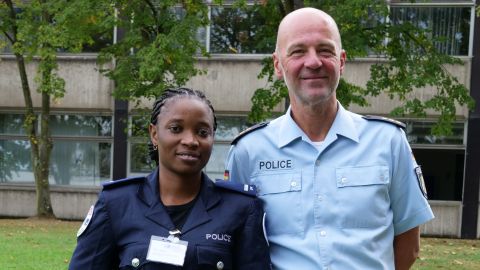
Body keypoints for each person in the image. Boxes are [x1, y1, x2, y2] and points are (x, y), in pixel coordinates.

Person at [225, 7, 434, 270]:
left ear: (342, 61)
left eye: (325, 50)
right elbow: (236, 244)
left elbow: (409, 245)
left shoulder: (388, 142)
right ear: (278, 65)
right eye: (298, 51)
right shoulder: (248, 152)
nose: (313, 62)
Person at [69, 87, 271, 269]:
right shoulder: (116, 204)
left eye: (202, 132)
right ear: (154, 134)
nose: (191, 141)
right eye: (176, 128)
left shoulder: (241, 208)